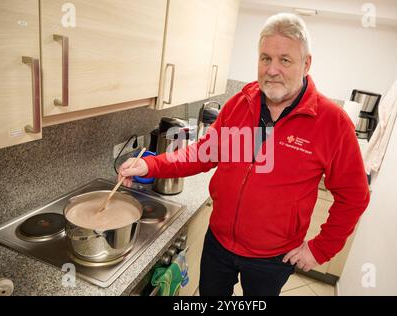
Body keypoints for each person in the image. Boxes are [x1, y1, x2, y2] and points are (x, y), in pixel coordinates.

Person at [118, 13, 370, 296]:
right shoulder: (240, 103)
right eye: (265, 58)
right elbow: (201, 153)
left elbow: (354, 196)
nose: (272, 69)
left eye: (284, 60)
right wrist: (149, 165)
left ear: (306, 63)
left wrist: (319, 249)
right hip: (219, 243)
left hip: (272, 258)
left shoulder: (332, 122)